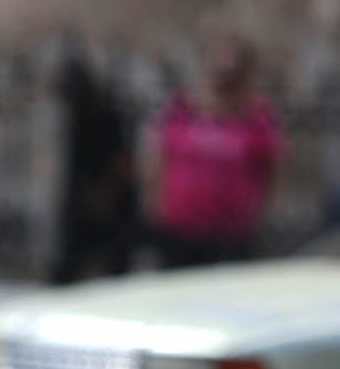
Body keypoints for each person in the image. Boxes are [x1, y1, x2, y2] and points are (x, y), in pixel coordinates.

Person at [139, 31, 285, 269]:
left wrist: (260, 211)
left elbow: (271, 168)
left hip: (232, 234)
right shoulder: (181, 109)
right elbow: (156, 155)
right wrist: (153, 202)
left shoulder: (256, 117)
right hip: (179, 229)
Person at [49, 51, 137, 284]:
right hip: (82, 205)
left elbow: (121, 163)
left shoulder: (105, 118)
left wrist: (105, 194)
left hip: (109, 207)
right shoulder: (77, 117)